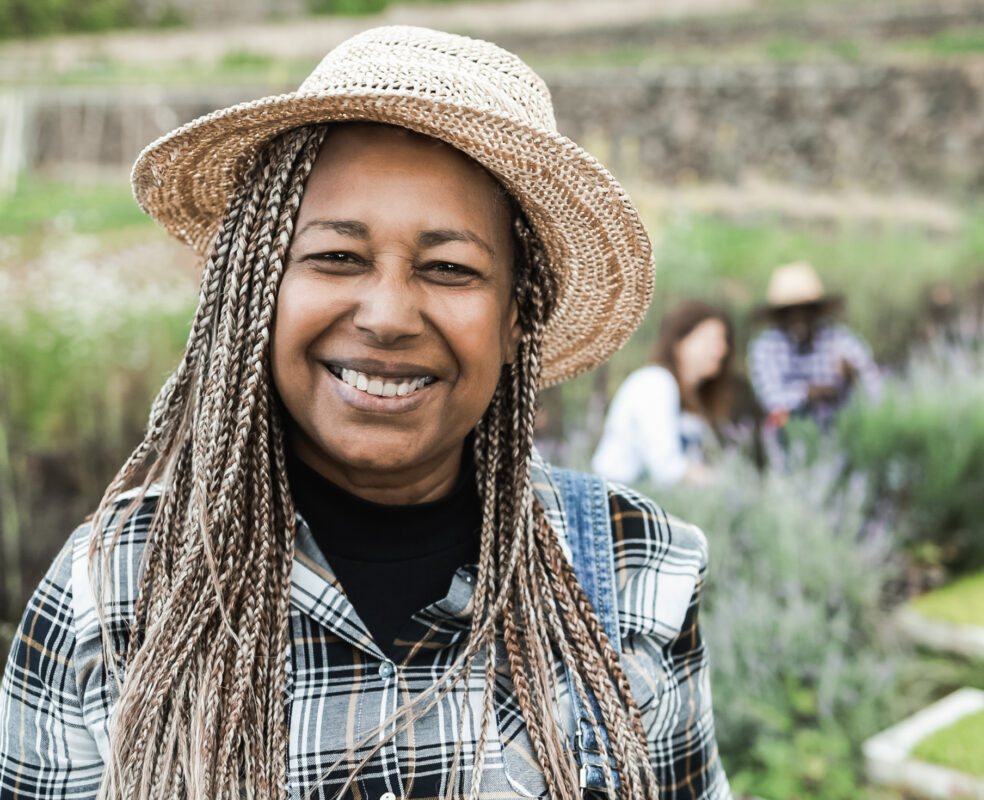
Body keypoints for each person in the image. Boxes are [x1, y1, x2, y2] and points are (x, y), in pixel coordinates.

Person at [0, 27, 731, 800]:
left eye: (450, 268)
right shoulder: (114, 591)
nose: (387, 316)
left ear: (518, 316)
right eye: (336, 257)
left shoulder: (629, 567)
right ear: (259, 291)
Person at [592, 301, 733, 485]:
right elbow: (666, 467)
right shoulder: (655, 383)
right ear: (679, 342)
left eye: (722, 340)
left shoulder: (693, 396)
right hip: (617, 497)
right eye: (709, 340)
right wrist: (722, 483)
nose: (721, 349)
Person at [748, 261, 882, 432]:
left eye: (805, 309)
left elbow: (875, 388)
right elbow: (772, 400)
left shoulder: (840, 339)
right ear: (779, 314)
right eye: (790, 310)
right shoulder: (765, 347)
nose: (798, 316)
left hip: (841, 433)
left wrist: (853, 380)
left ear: (816, 310)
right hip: (790, 438)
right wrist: (811, 393)